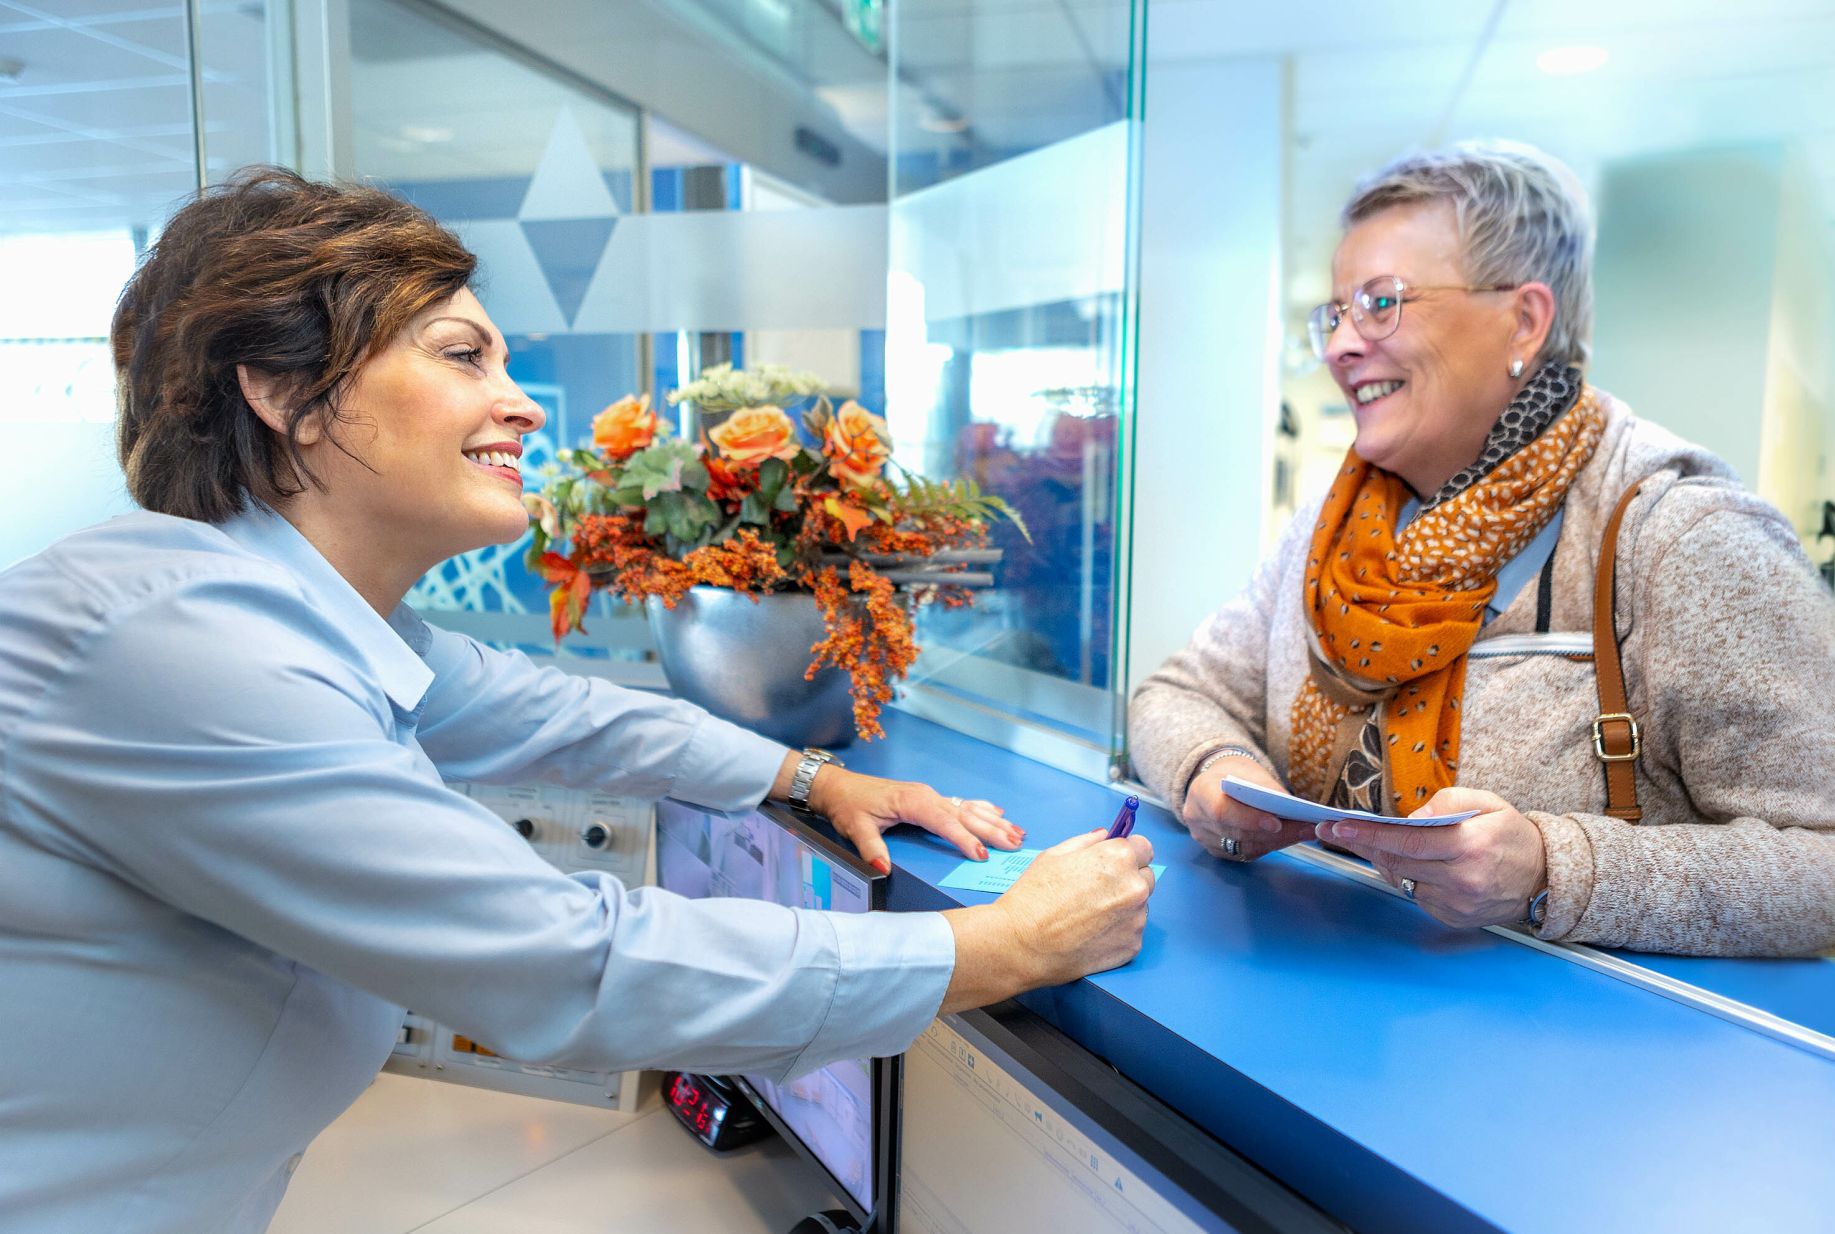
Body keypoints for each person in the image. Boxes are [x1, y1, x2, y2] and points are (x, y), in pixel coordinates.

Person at [0, 169, 1157, 1233]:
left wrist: (809, 775)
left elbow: (559, 714)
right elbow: (570, 964)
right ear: (286, 392)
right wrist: (1002, 943)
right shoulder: (177, 647)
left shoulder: (285, 617)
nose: (523, 404)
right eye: (464, 357)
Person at [1129, 141, 1835, 958]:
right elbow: (1177, 693)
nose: (1340, 347)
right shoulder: (1333, 529)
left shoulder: (1684, 537)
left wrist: (1553, 869)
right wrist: (1215, 772)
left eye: (1381, 303)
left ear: (1525, 320)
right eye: (1335, 314)